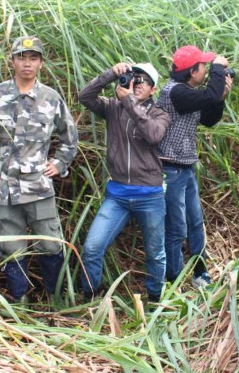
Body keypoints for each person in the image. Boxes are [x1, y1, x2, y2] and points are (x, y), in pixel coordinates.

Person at [0, 36, 78, 304]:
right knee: (11, 248)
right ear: (12, 61)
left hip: (39, 186)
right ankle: (20, 305)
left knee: (51, 244)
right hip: (4, 186)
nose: (27, 63)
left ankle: (55, 301)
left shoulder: (51, 98)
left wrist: (59, 163)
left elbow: (69, 137)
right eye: (21, 57)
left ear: (41, 63)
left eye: (33, 58)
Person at [78, 62, 170, 303]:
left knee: (155, 254)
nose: (136, 83)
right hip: (117, 195)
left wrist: (130, 101)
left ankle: (154, 300)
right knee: (91, 249)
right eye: (133, 78)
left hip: (150, 195)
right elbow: (85, 96)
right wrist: (111, 74)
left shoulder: (160, 114)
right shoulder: (112, 108)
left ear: (153, 89)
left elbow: (153, 135)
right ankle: (91, 299)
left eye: (143, 81)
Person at [157, 45, 233, 288]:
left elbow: (209, 120)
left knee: (195, 222)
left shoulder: (188, 93)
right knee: (177, 227)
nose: (206, 70)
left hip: (186, 166)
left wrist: (220, 98)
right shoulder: (175, 92)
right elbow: (207, 96)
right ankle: (174, 281)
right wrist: (219, 69)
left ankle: (200, 274)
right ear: (192, 71)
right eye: (204, 66)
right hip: (169, 169)